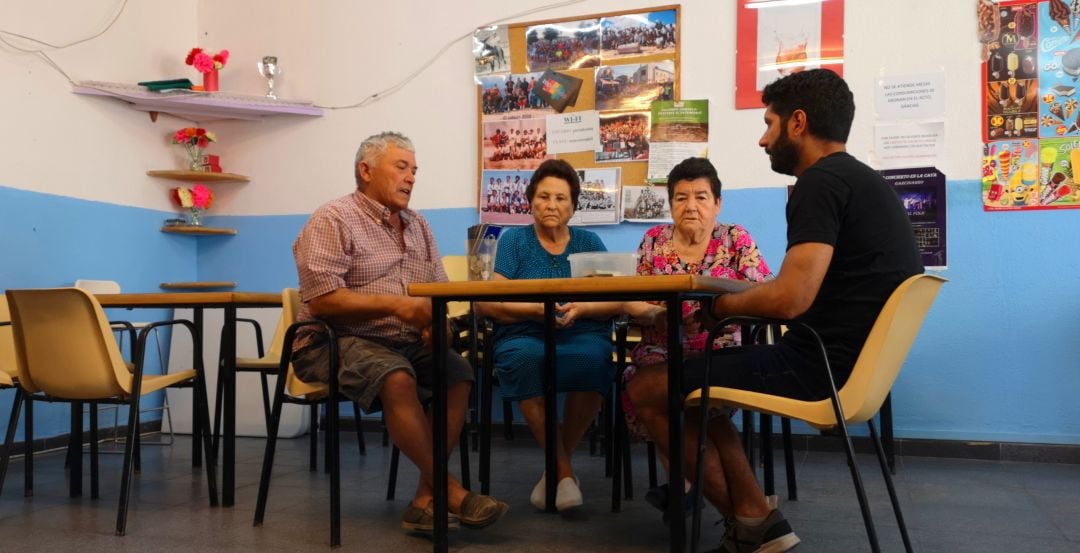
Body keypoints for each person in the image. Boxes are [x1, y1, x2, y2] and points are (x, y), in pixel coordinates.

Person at [626, 69, 922, 553]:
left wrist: (720, 308)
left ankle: (752, 522)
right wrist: (735, 308)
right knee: (697, 389)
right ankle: (756, 519)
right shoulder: (866, 181)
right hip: (850, 364)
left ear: (798, 123)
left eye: (768, 124)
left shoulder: (818, 183)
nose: (764, 140)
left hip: (817, 365)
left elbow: (790, 298)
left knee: (648, 388)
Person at [291, 131, 508, 534]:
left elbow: (437, 292)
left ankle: (425, 500)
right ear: (366, 170)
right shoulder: (333, 217)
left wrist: (437, 323)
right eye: (401, 167)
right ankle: (453, 494)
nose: (411, 178)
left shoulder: (419, 224)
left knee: (459, 374)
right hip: (333, 340)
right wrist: (398, 305)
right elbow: (322, 301)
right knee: (396, 376)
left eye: (414, 170)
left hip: (400, 341)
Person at [618, 157, 773, 523]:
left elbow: (762, 293)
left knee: (677, 395)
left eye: (701, 197)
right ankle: (700, 488)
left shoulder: (735, 239)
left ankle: (687, 485)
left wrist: (716, 313)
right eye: (681, 197)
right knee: (649, 385)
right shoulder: (653, 240)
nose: (691, 206)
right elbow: (633, 296)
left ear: (717, 203)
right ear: (670, 203)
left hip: (719, 346)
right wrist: (654, 314)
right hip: (661, 347)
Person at [476, 158, 622, 512]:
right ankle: (565, 471)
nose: (551, 205)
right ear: (530, 201)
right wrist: (537, 311)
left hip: (582, 331)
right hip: (524, 333)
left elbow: (615, 299)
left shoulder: (589, 240)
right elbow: (486, 302)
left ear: (573, 205)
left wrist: (582, 309)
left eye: (561, 198)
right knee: (524, 358)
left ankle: (555, 471)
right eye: (543, 197)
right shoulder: (514, 241)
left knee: (592, 360)